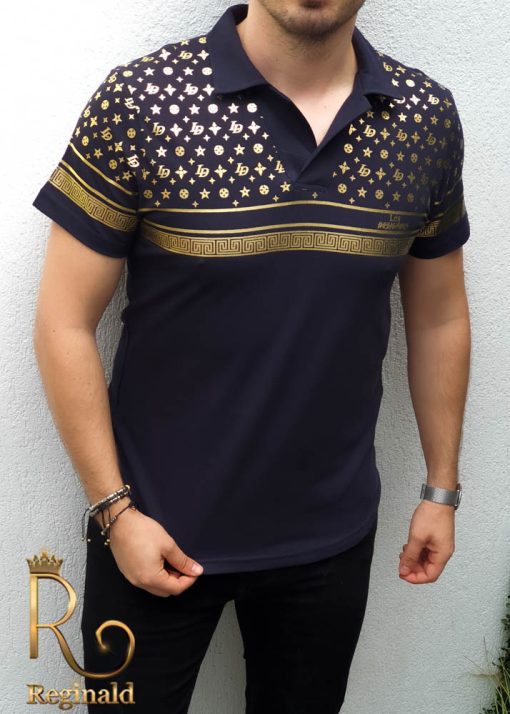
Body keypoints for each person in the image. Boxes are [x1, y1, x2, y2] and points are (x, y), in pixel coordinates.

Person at [31, 1, 471, 711]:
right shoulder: (141, 101)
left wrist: (441, 489)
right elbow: (63, 322)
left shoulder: (422, 118)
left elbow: (440, 316)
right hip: (149, 530)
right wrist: (115, 512)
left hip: (329, 544)